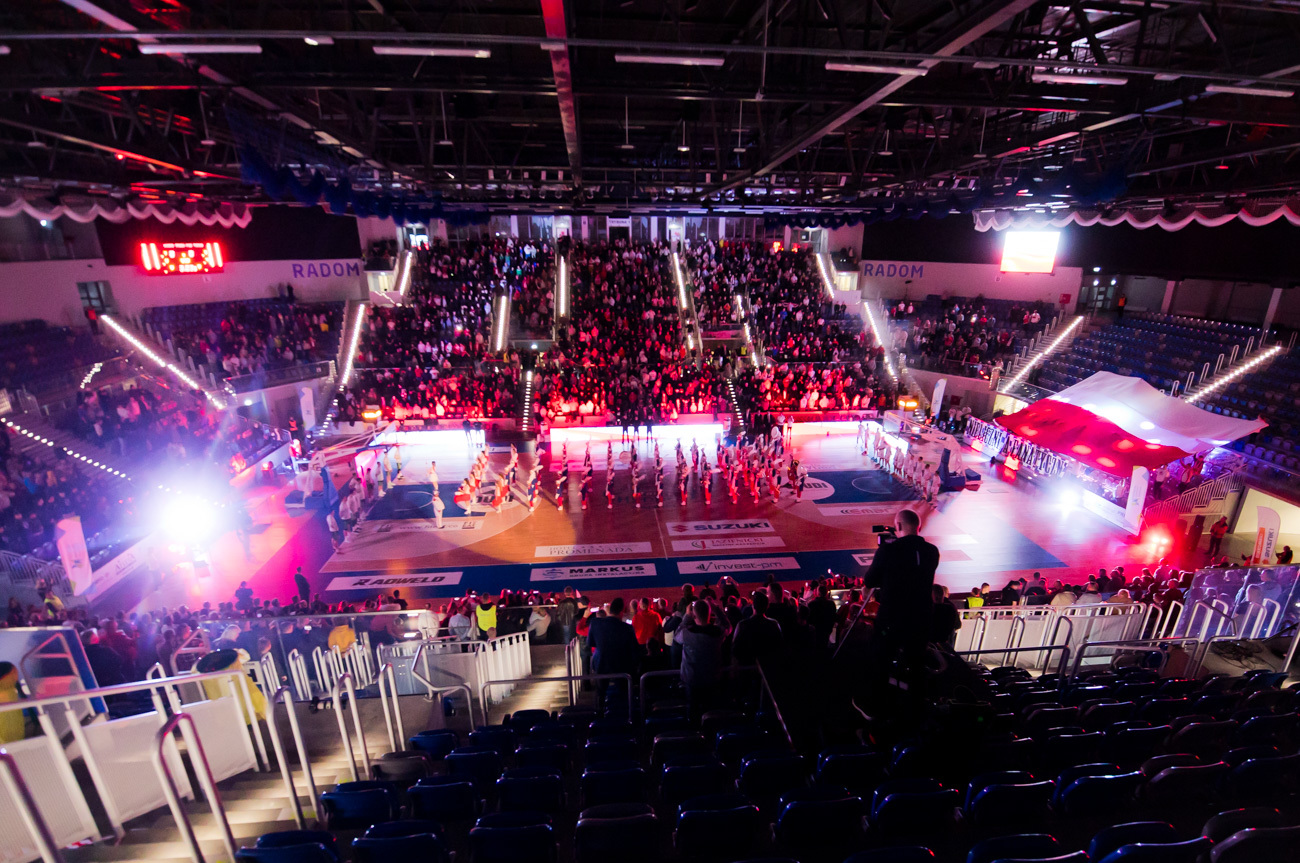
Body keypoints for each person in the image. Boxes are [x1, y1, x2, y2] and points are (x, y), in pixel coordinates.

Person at [862, 508, 940, 665]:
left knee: (881, 661)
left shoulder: (888, 550)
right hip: (921, 619)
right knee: (916, 664)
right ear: (918, 526)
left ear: (898, 525)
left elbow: (870, 580)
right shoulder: (932, 551)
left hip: (892, 618)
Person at [679, 600, 724, 718]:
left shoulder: (686, 633)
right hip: (712, 678)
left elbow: (677, 634)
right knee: (711, 712)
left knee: (693, 712)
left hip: (692, 679)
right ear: (709, 614)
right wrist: (716, 609)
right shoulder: (718, 632)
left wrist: (687, 616)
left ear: (694, 615)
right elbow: (728, 626)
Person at [587, 597, 642, 679]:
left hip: (601, 664)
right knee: (622, 686)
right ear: (621, 612)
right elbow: (634, 648)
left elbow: (590, 643)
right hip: (620, 666)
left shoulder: (595, 623)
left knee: (601, 686)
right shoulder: (627, 628)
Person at [732, 590, 783, 666]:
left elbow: (735, 649)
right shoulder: (774, 624)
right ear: (767, 606)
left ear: (753, 606)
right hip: (769, 665)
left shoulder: (742, 625)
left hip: (747, 666)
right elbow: (779, 645)